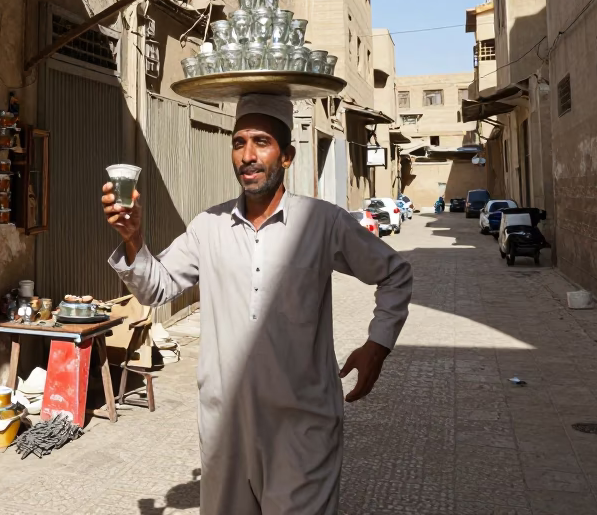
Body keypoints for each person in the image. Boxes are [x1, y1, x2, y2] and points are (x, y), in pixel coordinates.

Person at [101, 94, 413, 515]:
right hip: (225, 429)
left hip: (303, 425)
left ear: (287, 156)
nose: (247, 155)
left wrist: (377, 345)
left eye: (261, 142)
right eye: (239, 142)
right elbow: (156, 290)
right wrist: (134, 239)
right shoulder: (207, 227)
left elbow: (394, 273)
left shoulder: (322, 222)